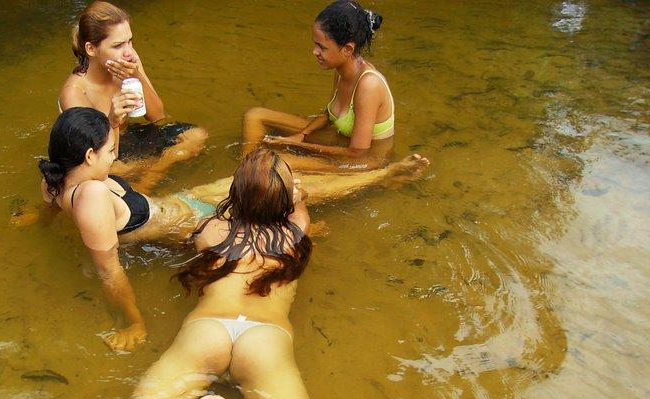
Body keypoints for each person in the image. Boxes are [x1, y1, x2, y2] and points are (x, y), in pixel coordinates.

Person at [80, 148, 428, 399]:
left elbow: (206, 229)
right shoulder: (297, 231)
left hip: (207, 331)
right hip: (264, 341)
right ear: (287, 201)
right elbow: (297, 203)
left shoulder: (210, 230)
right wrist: (297, 193)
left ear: (234, 195)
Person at [38, 108, 429, 352]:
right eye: (110, 150)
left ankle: (371, 179)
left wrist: (35, 222)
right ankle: (382, 177)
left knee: (271, 178)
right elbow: (109, 269)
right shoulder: (90, 196)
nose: (115, 155)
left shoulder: (55, 174)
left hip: (181, 202)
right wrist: (132, 323)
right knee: (286, 191)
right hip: (185, 224)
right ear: (88, 156)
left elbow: (52, 206)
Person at [59, 1, 208, 192]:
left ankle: (146, 181)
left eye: (130, 41)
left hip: (129, 136)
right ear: (91, 49)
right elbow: (96, 162)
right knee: (115, 171)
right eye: (118, 45)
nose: (128, 51)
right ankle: (150, 172)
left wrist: (136, 75)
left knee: (195, 136)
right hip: (104, 153)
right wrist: (112, 119)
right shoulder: (75, 92)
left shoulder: (129, 61)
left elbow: (157, 116)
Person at [243, 0, 395, 173]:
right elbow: (329, 115)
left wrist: (296, 145)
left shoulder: (369, 86)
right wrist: (301, 135)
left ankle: (251, 176)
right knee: (255, 116)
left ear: (348, 49)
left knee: (278, 163)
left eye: (321, 47)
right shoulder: (341, 70)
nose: (315, 52)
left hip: (362, 163)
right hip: (339, 140)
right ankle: (244, 173)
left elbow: (357, 153)